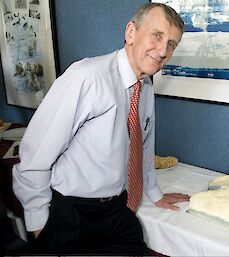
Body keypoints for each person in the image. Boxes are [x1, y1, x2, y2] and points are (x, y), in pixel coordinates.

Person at [12, 2, 189, 255]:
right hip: (70, 213)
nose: (162, 50)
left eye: (171, 44)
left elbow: (143, 145)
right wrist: (40, 223)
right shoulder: (87, 78)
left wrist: (154, 192)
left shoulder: (146, 86)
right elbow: (34, 155)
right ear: (131, 33)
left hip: (115, 209)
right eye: (157, 36)